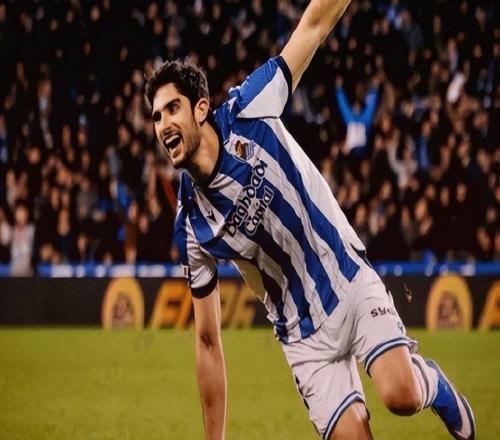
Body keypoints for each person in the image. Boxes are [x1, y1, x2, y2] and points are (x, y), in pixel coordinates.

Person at [145, 1, 475, 439]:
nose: (163, 124)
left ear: (201, 108)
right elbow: (207, 342)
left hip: (345, 279)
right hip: (302, 338)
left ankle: (432, 383)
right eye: (156, 116)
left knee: (401, 396)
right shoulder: (191, 223)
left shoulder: (250, 108)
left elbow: (313, 27)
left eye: (172, 109)